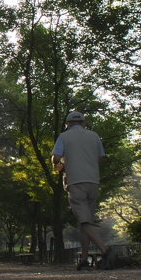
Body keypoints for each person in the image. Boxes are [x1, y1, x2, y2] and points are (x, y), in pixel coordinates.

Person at [52, 111, 118, 271]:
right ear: (84, 123)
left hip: (75, 181)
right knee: (84, 222)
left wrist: (59, 165)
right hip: (93, 181)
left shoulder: (64, 137)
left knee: (84, 221)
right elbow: (100, 158)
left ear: (68, 124)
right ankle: (83, 260)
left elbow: (56, 157)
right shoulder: (94, 136)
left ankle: (106, 251)